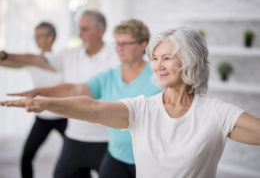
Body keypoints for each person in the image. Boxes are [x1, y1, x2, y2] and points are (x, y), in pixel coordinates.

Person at [1, 26, 260, 178]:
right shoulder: (142, 108)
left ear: (190, 61)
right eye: (156, 58)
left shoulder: (215, 113)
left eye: (167, 57)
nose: (157, 65)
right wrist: (48, 103)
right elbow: (93, 107)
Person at [7, 19, 162, 178]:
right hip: (117, 156)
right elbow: (76, 89)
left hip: (149, 158)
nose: (120, 49)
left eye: (126, 44)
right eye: (117, 44)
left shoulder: (158, 75)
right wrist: (39, 93)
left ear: (143, 44)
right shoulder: (109, 76)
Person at [0, 10, 118, 178]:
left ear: (100, 30)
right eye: (79, 29)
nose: (80, 34)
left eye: (85, 29)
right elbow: (34, 59)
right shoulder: (69, 55)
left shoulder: (116, 56)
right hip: (74, 137)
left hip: (105, 139)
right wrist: (5, 55)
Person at [0, 22, 67, 178]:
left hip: (63, 116)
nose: (35, 39)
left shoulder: (60, 59)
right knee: (26, 156)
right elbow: (9, 62)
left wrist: (4, 55)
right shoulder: (31, 61)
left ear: (50, 37)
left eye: (39, 36)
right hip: (42, 117)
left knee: (74, 156)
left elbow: (33, 59)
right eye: (35, 36)